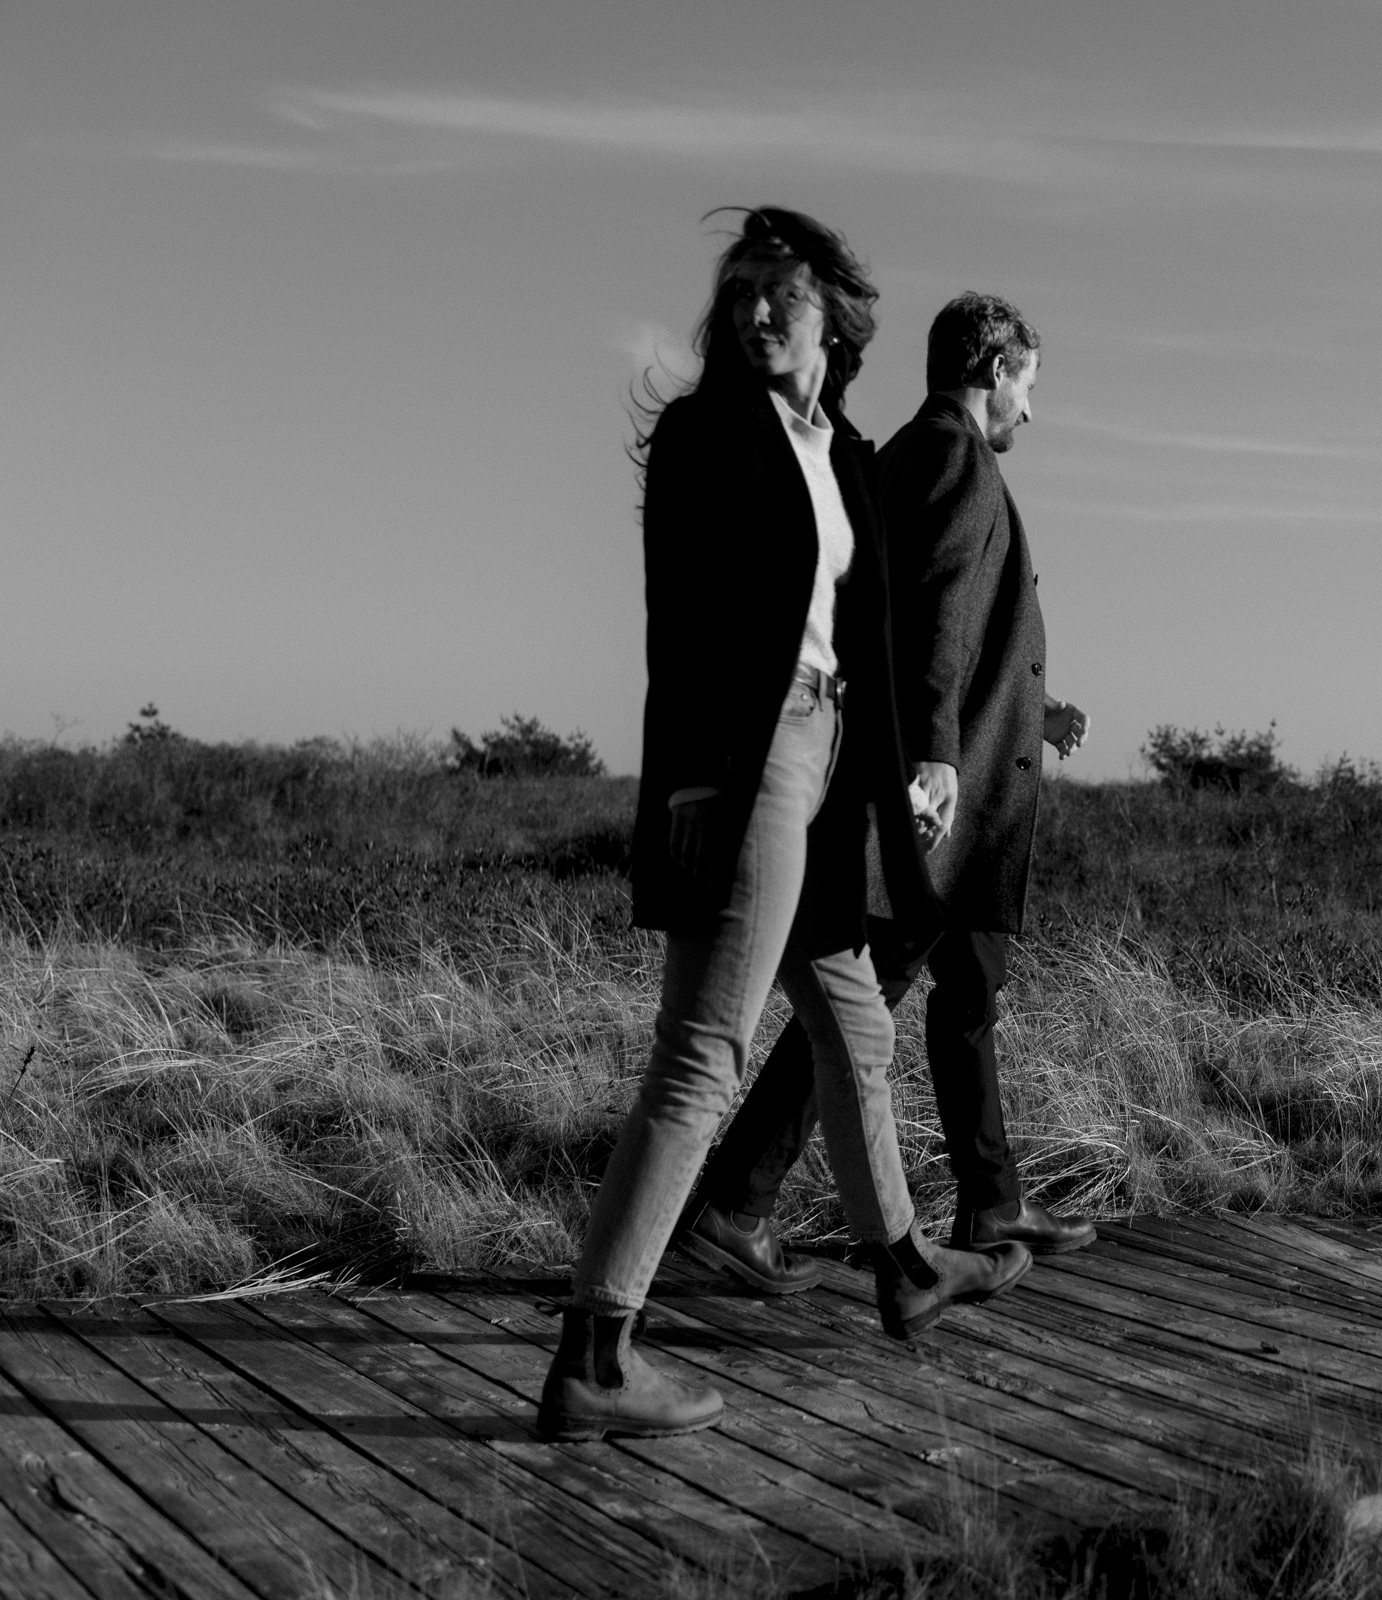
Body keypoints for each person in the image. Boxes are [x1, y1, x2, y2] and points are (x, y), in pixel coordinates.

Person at [537, 212, 1033, 1444]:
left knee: (856, 1020)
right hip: (747, 761)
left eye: (782, 293)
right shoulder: (712, 433)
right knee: (703, 1052)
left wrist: (904, 774)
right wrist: (701, 785)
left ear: (836, 321)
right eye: (741, 290)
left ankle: (907, 1267)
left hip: (822, 762)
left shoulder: (843, 452)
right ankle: (597, 1349)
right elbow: (686, 624)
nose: (756, 310)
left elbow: (865, 639)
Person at [679, 292, 1093, 1286]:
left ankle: (992, 1199)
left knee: (963, 986)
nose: (1030, 410)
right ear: (991, 367)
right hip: (942, 806)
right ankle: (735, 1202)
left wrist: (1024, 718)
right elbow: (939, 619)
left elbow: (912, 627)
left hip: (950, 783)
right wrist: (939, 759)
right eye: (1028, 384)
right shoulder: (955, 456)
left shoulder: (909, 451)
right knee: (866, 1001)